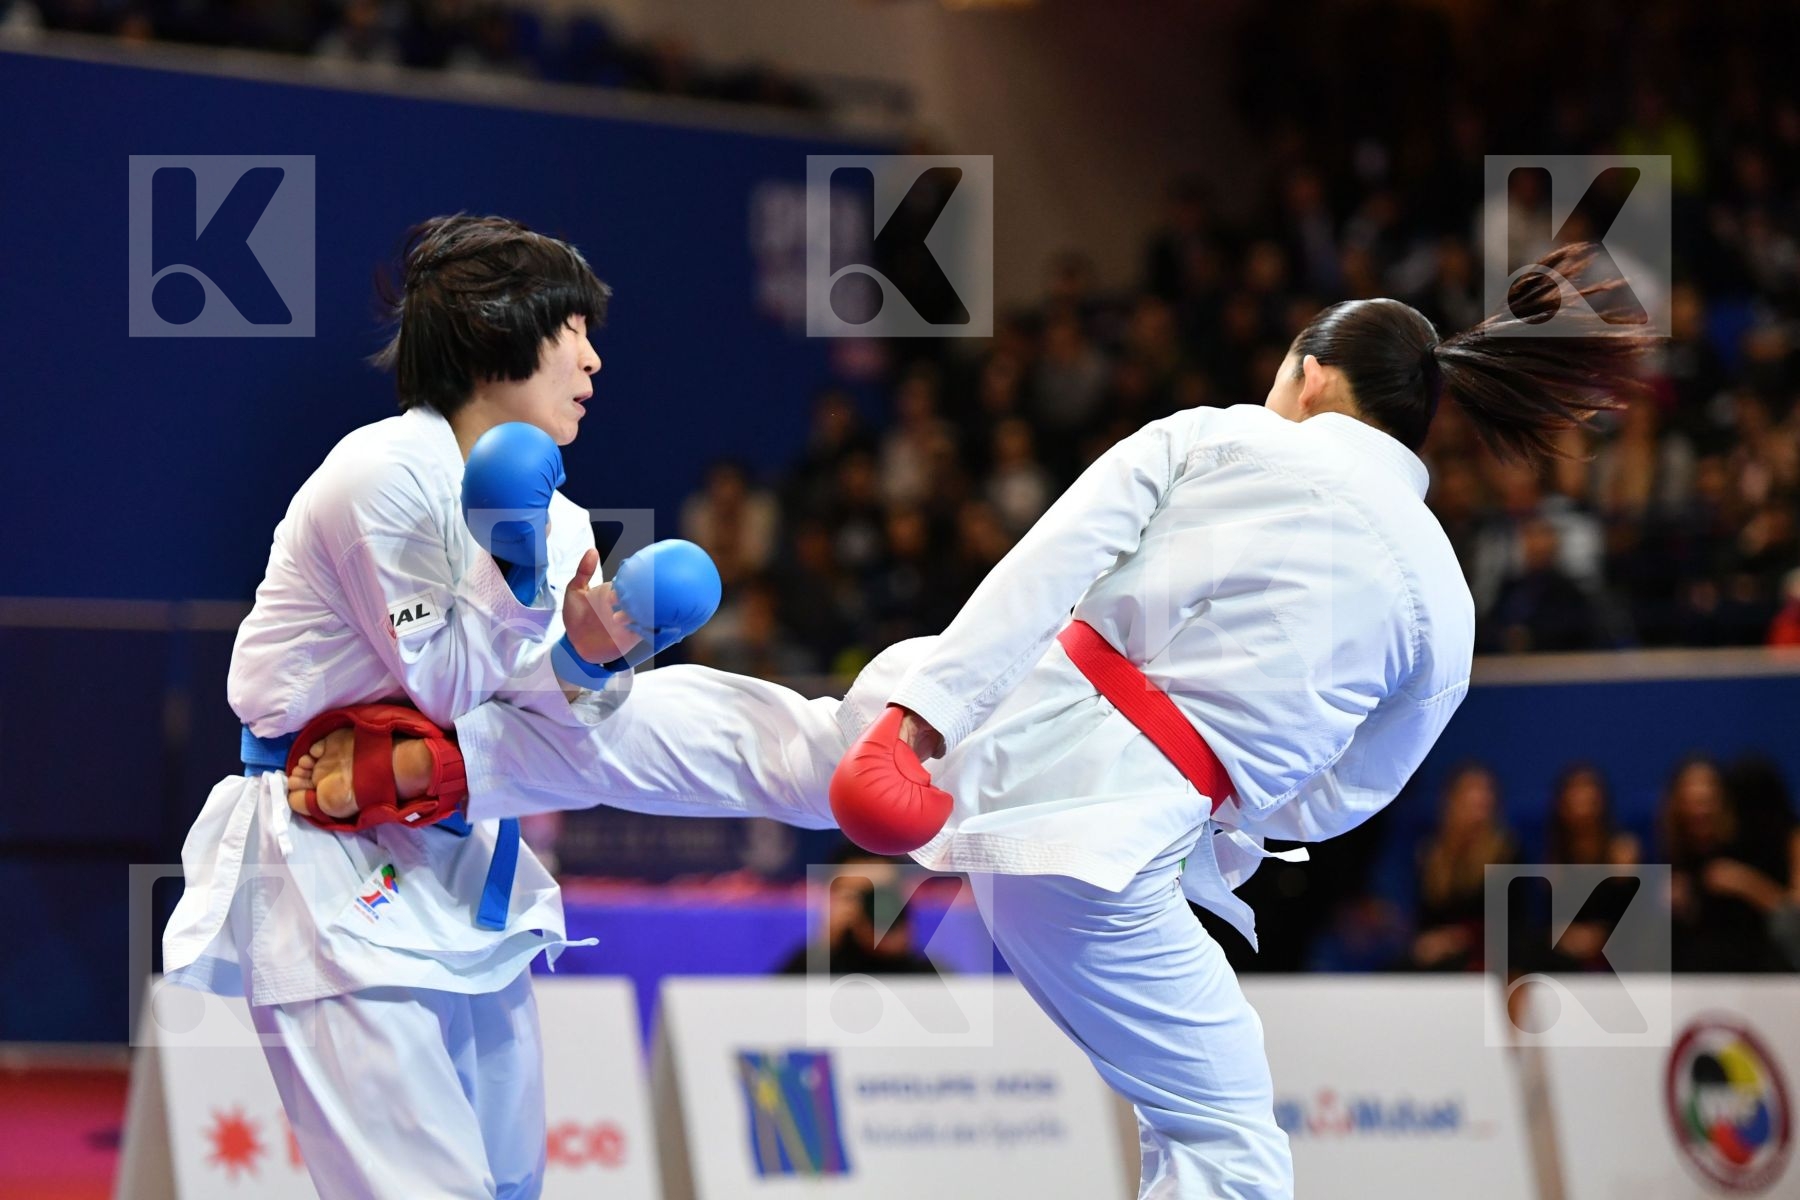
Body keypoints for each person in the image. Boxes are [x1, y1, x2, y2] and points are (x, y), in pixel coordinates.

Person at [301, 243, 1653, 1199]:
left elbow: (1042, 574)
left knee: (777, 741)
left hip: (1008, 727)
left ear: (1306, 370)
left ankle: (452, 766)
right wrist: (1234, 802)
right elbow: (1361, 793)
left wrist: (930, 721)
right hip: (1117, 857)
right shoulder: (1443, 593)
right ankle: (459, 759)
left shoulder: (1211, 439)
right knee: (1229, 1134)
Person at [161, 215, 700, 1200]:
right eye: (571, 328)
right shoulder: (385, 474)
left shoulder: (562, 513)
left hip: (462, 855)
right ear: (499, 338)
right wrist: (514, 576)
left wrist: (590, 656)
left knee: (507, 1183)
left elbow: (533, 716)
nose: (593, 356)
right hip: (331, 860)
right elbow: (448, 686)